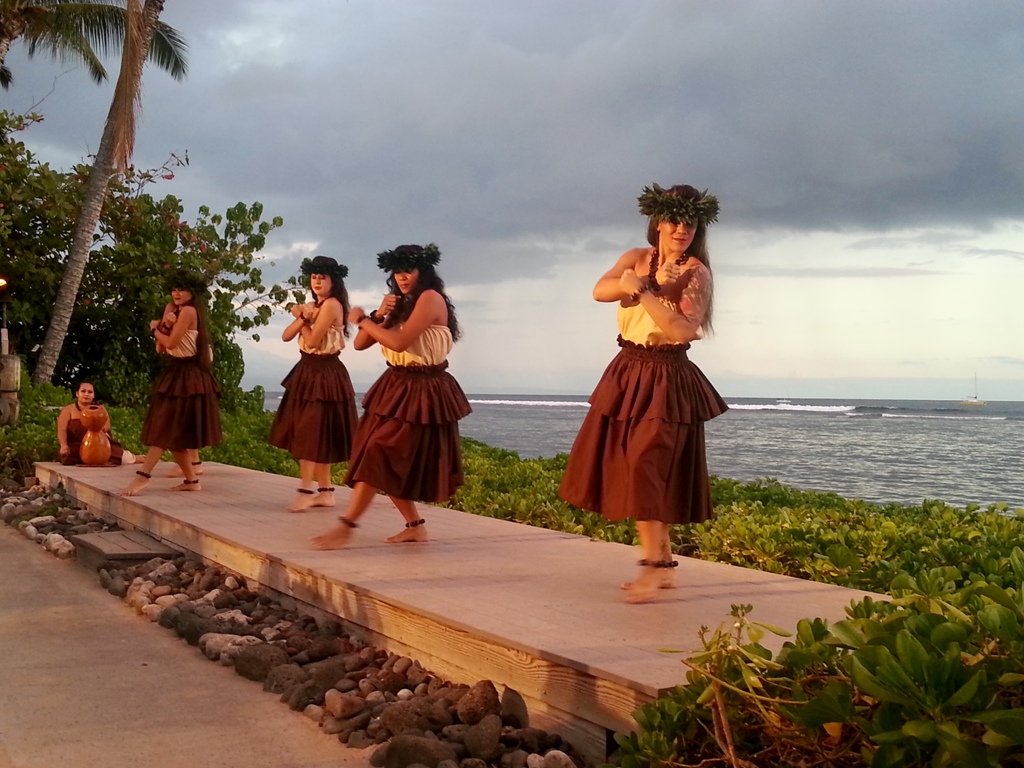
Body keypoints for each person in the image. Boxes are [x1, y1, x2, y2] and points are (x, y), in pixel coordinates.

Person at [558, 184, 728, 603]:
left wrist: (646, 291)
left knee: (645, 467)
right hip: (628, 372)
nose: (682, 229)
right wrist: (644, 279)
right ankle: (664, 566)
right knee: (638, 467)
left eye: (691, 223)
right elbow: (600, 291)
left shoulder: (696, 273)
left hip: (666, 377)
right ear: (658, 221)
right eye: (675, 220)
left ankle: (652, 567)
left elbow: (682, 330)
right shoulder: (635, 257)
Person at [312, 244, 471, 549]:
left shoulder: (430, 298)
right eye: (397, 272)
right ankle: (415, 527)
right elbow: (361, 344)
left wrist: (362, 320)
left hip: (424, 390)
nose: (402, 277)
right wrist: (378, 314)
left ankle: (346, 526)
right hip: (396, 386)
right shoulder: (401, 303)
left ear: (423, 271)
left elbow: (399, 342)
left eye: (408, 270)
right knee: (376, 453)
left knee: (380, 451)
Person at [268, 255, 359, 512]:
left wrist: (303, 319)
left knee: (310, 434)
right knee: (314, 434)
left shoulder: (331, 305)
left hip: (324, 372)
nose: (317, 282)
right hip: (307, 371)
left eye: (322, 277)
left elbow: (312, 341)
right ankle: (326, 493)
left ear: (333, 281)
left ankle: (306, 491)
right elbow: (286, 336)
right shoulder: (312, 305)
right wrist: (301, 316)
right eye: (314, 277)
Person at [121, 270, 223, 496]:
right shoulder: (171, 308)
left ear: (192, 292)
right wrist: (164, 326)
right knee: (172, 432)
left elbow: (171, 342)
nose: (176, 294)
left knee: (164, 428)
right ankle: (192, 481)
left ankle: (143, 477)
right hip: (174, 373)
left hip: (189, 376)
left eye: (182, 289)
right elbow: (161, 347)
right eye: (174, 289)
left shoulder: (189, 311)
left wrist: (154, 328)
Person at [57, 381, 134, 465]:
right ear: (77, 394)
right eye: (83, 391)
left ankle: (137, 458)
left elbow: (106, 427)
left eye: (90, 392)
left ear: (93, 395)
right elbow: (62, 429)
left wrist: (94, 427)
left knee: (116, 454)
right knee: (68, 455)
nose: (86, 394)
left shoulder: (100, 409)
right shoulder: (68, 410)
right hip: (77, 445)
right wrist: (64, 445)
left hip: (98, 445)